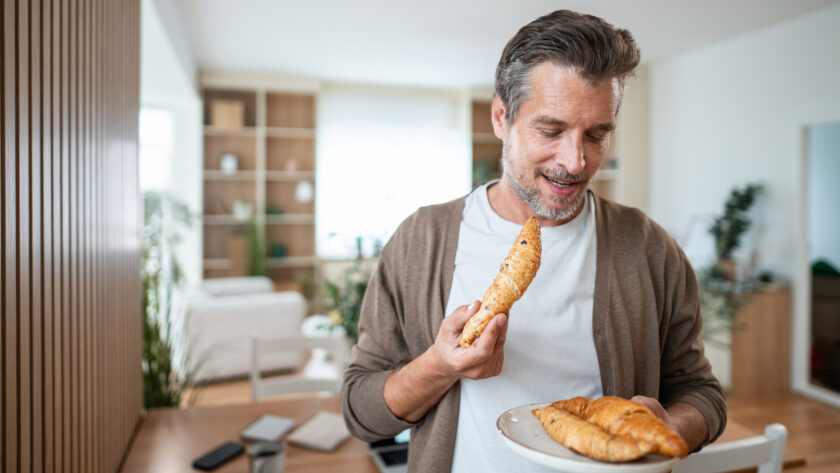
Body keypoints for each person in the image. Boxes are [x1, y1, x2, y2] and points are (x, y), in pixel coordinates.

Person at [340, 9, 726, 473]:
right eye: (552, 130)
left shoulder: (650, 249)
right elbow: (360, 413)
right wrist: (440, 366)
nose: (575, 161)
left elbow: (703, 395)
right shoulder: (420, 240)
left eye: (597, 135)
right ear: (501, 116)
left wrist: (668, 426)